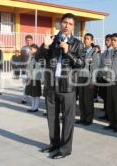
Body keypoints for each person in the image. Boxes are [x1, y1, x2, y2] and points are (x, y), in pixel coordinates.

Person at [37, 13, 85, 159]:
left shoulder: (78, 43)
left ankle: (65, 149)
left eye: (70, 24)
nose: (67, 26)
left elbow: (81, 64)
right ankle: (54, 144)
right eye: (65, 22)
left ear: (73, 27)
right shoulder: (51, 40)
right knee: (52, 117)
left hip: (67, 86)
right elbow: (38, 58)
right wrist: (45, 46)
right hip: (51, 84)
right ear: (60, 24)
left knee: (68, 118)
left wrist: (68, 52)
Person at [76, 33, 96, 126]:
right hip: (80, 77)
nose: (85, 40)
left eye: (88, 39)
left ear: (92, 41)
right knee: (81, 99)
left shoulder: (94, 52)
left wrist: (93, 80)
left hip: (88, 78)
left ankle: (89, 119)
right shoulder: (81, 51)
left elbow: (95, 68)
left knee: (88, 100)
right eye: (85, 38)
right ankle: (82, 117)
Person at [97, 34, 112, 120]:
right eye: (106, 40)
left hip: (108, 78)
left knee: (109, 98)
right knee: (105, 97)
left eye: (108, 40)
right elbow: (100, 64)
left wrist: (102, 72)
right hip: (102, 78)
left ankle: (109, 114)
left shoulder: (111, 52)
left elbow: (108, 66)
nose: (106, 42)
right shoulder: (104, 52)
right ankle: (106, 113)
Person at [25, 44, 42, 112]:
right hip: (31, 78)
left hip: (36, 78)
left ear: (36, 49)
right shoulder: (31, 57)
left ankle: (36, 107)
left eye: (31, 49)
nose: (30, 51)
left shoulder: (39, 57)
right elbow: (28, 67)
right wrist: (27, 76)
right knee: (32, 93)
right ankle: (32, 107)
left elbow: (39, 68)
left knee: (36, 94)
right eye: (30, 49)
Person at [20, 35, 33, 104]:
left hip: (33, 70)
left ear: (32, 40)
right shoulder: (22, 49)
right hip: (24, 70)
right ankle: (24, 99)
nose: (28, 42)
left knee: (33, 85)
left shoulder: (35, 48)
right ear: (25, 41)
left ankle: (33, 100)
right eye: (27, 40)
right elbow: (21, 60)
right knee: (24, 85)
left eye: (29, 40)